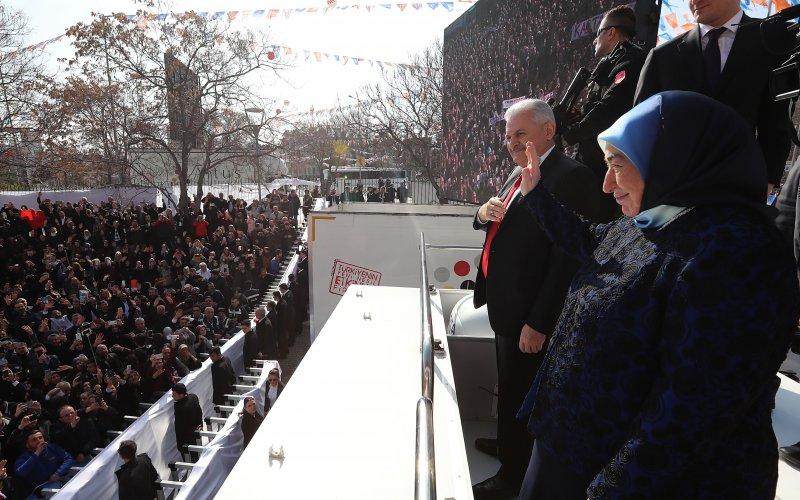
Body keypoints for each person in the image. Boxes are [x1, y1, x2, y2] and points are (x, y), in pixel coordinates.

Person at [515, 91, 799, 499]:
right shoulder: (657, 218)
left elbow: (692, 407)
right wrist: (537, 196)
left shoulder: (738, 251)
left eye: (618, 164)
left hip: (638, 479)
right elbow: (594, 245)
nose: (607, 183)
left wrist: (611, 489)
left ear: (672, 158)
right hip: (575, 450)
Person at [471, 98, 610, 499]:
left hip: (531, 315)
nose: (512, 142)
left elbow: (567, 258)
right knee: (509, 388)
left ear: (548, 131)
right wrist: (482, 213)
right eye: (508, 135)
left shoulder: (572, 176)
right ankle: (506, 446)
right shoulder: (518, 173)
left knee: (522, 393)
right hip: (506, 308)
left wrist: (540, 321)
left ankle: (512, 476)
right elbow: (495, 227)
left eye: (520, 133)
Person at [634, 0, 791, 194]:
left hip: (740, 188)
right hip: (674, 190)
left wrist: (766, 181)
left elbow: (778, 119)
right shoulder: (663, 57)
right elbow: (641, 127)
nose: (694, 1)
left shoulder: (771, 39)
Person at [560, 4, 645, 216]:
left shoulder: (630, 60)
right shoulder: (610, 63)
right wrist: (577, 119)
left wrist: (567, 136)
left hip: (608, 164)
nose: (594, 40)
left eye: (598, 33)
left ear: (611, 32)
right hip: (595, 160)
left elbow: (609, 109)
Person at [14, 430, 75, 497]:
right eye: (34, 440)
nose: (39, 441)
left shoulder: (52, 447)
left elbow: (69, 459)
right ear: (27, 445)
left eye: (40, 438)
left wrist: (58, 473)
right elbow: (20, 473)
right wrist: (37, 453)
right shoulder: (24, 457)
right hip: (40, 491)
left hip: (59, 482)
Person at [171, 383, 203, 453]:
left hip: (187, 440)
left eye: (174, 394)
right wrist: (200, 423)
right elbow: (199, 412)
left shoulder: (180, 407)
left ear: (181, 395)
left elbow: (179, 427)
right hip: (196, 434)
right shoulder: (193, 397)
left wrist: (180, 446)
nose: (172, 396)